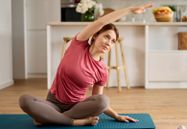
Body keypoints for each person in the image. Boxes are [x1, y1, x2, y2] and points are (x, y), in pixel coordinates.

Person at [19, 3, 153, 126]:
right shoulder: (78, 44)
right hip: (53, 103)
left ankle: (51, 119)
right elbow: (102, 21)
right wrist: (129, 9)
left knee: (103, 100)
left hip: (78, 108)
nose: (109, 43)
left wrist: (116, 116)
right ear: (95, 35)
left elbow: (98, 101)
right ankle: (73, 122)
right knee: (24, 100)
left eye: (113, 41)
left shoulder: (102, 71)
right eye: (106, 37)